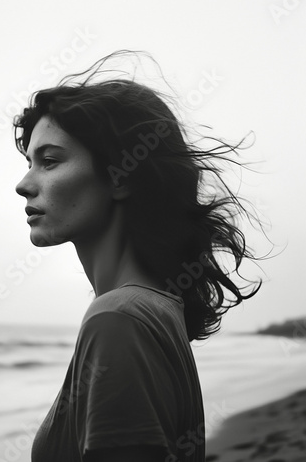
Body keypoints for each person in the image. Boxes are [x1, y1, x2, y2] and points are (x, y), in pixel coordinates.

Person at [14, 51, 263, 462]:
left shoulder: (119, 319)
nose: (24, 184)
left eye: (50, 161)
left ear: (121, 177)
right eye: (29, 163)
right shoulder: (151, 308)